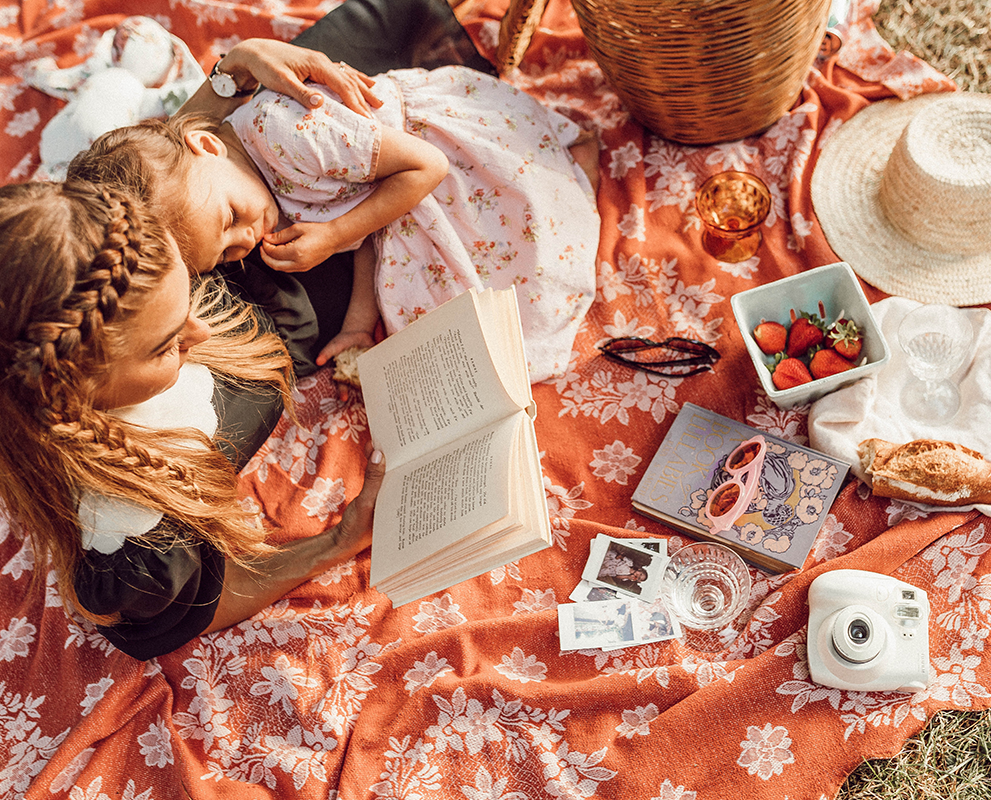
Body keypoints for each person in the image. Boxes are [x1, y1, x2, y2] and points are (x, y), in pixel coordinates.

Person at [0, 180, 387, 661]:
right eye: (165, 346)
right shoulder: (133, 541)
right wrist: (340, 541)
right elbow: (198, 607)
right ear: (72, 395)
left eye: (189, 286)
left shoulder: (108, 258)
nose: (199, 330)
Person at [69, 63, 602, 382]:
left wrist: (334, 235)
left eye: (230, 219)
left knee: (533, 240)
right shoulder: (244, 189)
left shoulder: (285, 133)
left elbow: (427, 167)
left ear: (207, 145)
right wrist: (354, 326)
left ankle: (578, 169)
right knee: (451, 331)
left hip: (433, 156)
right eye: (228, 253)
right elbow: (367, 230)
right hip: (395, 197)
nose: (246, 239)